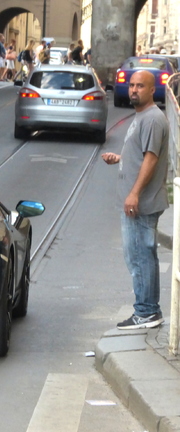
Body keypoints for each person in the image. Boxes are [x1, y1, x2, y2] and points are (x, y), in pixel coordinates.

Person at [101, 70, 169, 330]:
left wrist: (134, 193)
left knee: (140, 256)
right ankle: (149, 310)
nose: (133, 90)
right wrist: (121, 159)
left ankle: (146, 312)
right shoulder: (143, 116)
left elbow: (151, 158)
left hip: (142, 203)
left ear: (153, 90)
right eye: (131, 85)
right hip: (140, 202)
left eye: (140, 86)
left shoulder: (152, 119)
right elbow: (142, 154)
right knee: (142, 255)